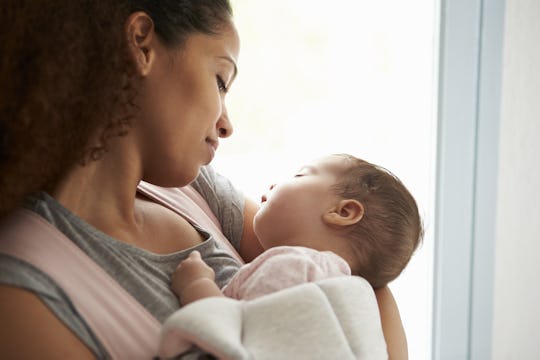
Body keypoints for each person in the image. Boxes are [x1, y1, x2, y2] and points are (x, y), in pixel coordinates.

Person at [0, 1, 409, 359]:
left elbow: (357, 268)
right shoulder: (24, 290)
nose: (227, 124)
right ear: (141, 43)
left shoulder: (194, 191)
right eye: (220, 80)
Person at [173, 154, 423, 304]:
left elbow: (231, 333)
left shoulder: (296, 270)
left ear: (343, 212)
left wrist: (196, 285)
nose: (275, 183)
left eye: (300, 176)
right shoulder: (344, 293)